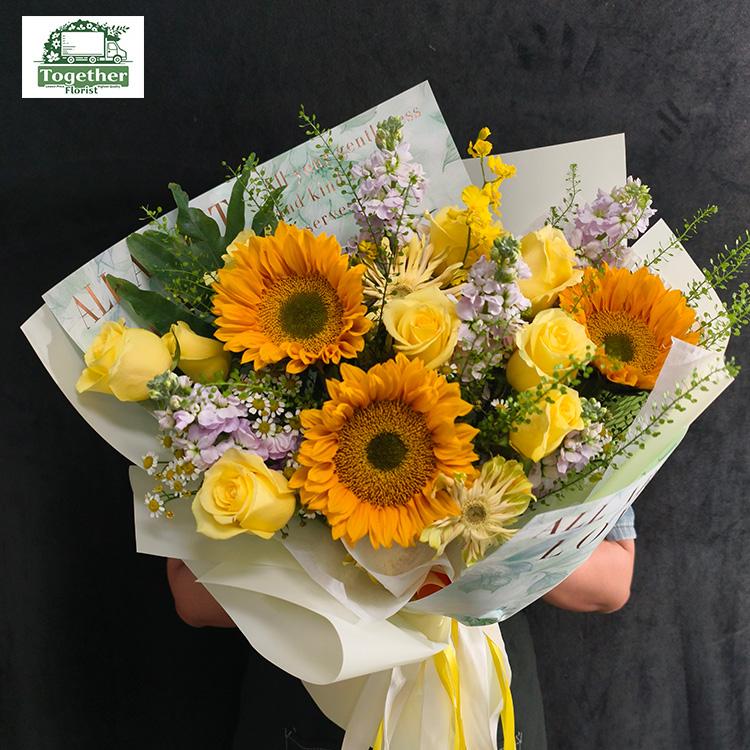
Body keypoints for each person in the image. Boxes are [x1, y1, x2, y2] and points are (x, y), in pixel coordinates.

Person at [167, 507, 637, 749]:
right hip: (313, 686)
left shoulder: (565, 362)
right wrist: (358, 555)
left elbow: (611, 581)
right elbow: (192, 594)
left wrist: (479, 528)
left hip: (483, 678)